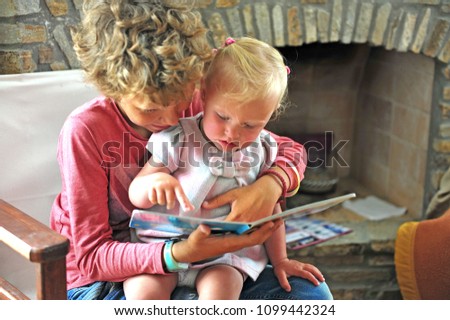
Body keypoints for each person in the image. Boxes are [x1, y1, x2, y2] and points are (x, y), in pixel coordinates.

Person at [50, 0, 333, 300]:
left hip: (213, 254)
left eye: (181, 98)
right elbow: (92, 257)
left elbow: (290, 150)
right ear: (110, 89)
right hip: (109, 274)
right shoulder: (84, 131)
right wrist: (179, 254)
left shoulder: (200, 101)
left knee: (312, 296)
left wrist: (270, 185)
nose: (173, 119)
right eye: (151, 109)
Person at [125, 37, 326, 300]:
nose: (232, 133)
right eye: (222, 117)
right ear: (204, 95)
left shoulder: (262, 150)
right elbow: (135, 193)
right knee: (143, 293)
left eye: (250, 125)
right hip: (166, 245)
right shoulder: (180, 137)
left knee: (221, 293)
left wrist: (281, 261)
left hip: (224, 256)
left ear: (271, 115)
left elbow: (270, 213)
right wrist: (153, 184)